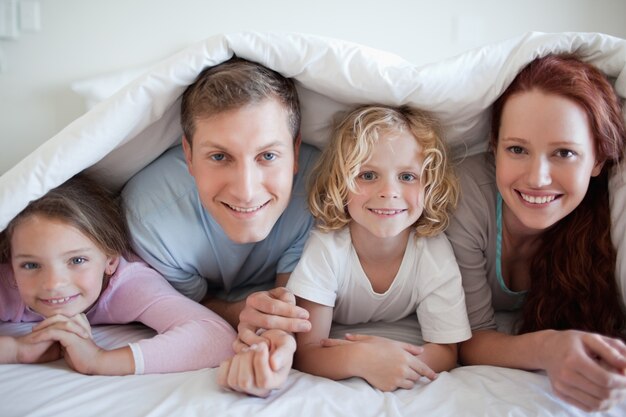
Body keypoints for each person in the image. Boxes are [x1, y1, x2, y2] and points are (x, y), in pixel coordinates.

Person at [122, 57, 318, 392]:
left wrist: (272, 347)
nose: (245, 190)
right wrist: (240, 314)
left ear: (296, 152)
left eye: (268, 156)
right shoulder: (151, 219)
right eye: (219, 157)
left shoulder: (319, 191)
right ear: (189, 155)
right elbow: (193, 304)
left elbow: (287, 305)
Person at [445, 54, 626, 412]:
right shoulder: (466, 197)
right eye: (517, 149)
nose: (537, 178)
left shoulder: (603, 219)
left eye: (564, 152)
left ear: (598, 161)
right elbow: (469, 340)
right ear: (494, 147)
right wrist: (548, 349)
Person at [286, 105, 470, 391]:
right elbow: (306, 352)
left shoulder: (432, 251)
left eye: (407, 177)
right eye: (368, 175)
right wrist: (361, 359)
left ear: (430, 185)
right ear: (340, 182)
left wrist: (396, 361)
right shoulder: (327, 246)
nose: (389, 191)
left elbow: (446, 351)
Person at [0, 174, 236, 375]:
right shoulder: (9, 282)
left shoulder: (127, 283)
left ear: (110, 261)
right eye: (31, 265)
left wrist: (100, 360)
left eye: (77, 260)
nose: (53, 284)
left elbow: (215, 336)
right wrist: (15, 349)